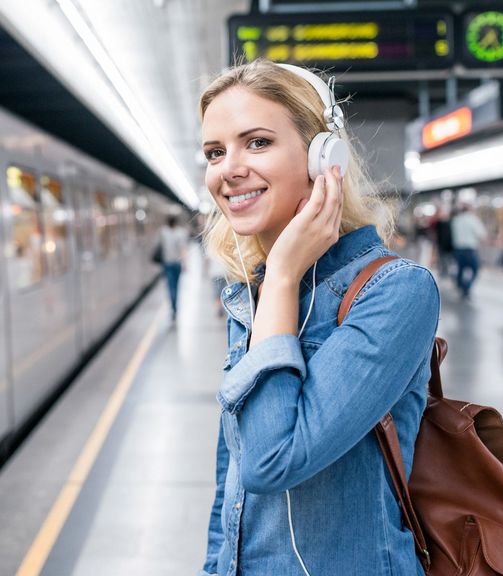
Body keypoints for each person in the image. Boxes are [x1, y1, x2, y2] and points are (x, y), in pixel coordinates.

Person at [197, 60, 439, 576]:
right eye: (215, 152)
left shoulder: (395, 292)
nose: (228, 168)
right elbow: (232, 480)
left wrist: (283, 273)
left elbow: (269, 461)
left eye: (256, 142)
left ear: (321, 155)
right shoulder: (249, 294)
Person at [451, 201, 486, 300]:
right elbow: (481, 234)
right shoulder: (473, 219)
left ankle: (460, 285)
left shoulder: (455, 220)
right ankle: (466, 288)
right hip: (470, 249)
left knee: (460, 269)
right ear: (470, 209)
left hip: (457, 249)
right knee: (475, 270)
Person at [159, 215, 188, 319]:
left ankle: (173, 308)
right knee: (176, 286)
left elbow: (161, 247)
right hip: (177, 263)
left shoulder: (163, 232)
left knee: (170, 286)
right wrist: (185, 264)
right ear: (175, 222)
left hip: (167, 263)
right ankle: (175, 307)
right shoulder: (181, 233)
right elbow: (183, 249)